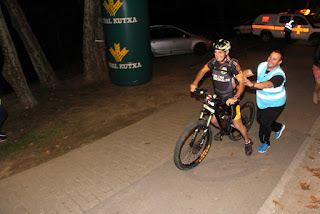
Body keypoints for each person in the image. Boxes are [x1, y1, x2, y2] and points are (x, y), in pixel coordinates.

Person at [190, 39, 253, 156]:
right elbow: (203, 71)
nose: (217, 55)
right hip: (219, 97)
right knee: (214, 119)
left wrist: (236, 97)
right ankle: (224, 130)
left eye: (220, 52)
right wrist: (195, 83)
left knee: (238, 124)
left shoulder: (232, 65)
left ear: (227, 52)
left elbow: (241, 82)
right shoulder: (213, 62)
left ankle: (247, 141)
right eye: (216, 52)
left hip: (232, 98)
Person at [243, 50, 286, 153]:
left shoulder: (279, 75)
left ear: (279, 62)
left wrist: (251, 84)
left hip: (275, 103)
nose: (270, 60)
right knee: (260, 119)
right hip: (262, 101)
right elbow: (248, 72)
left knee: (265, 123)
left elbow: (266, 84)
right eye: (270, 56)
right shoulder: (262, 65)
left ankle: (265, 142)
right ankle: (279, 127)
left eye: (274, 59)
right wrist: (237, 76)